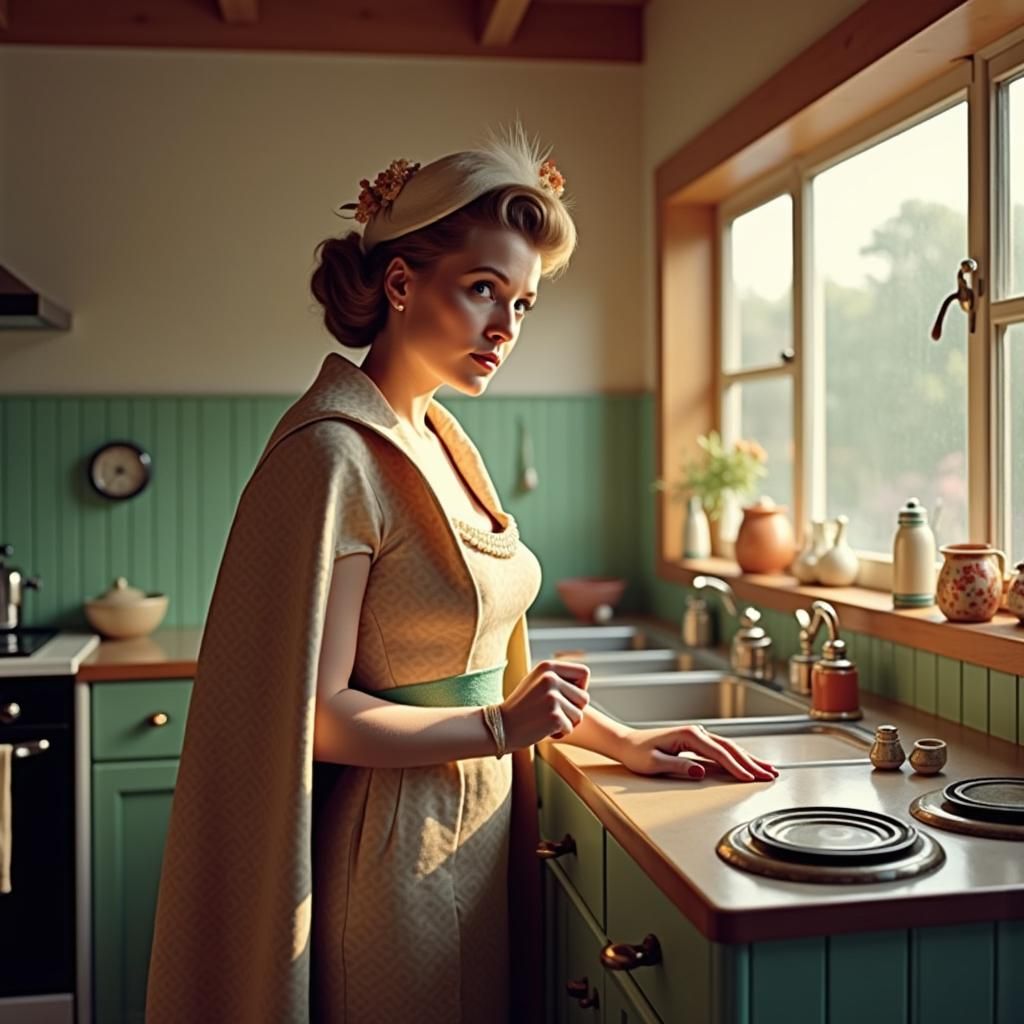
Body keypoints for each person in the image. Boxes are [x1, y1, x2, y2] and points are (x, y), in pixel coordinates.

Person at [145, 124, 777, 1024]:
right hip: (396, 849)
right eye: (483, 290)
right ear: (401, 284)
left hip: (474, 825)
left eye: (521, 304)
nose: (503, 328)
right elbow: (319, 717)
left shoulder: (438, 435)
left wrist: (627, 743)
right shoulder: (337, 454)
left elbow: (485, 666)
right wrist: (499, 726)